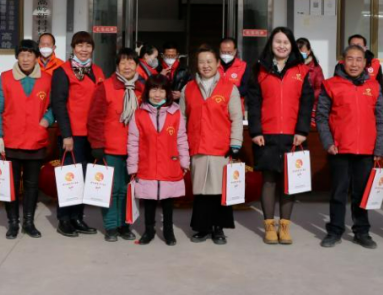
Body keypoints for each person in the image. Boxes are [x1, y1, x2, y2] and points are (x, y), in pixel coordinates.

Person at [247, 27, 313, 245]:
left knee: (289, 182)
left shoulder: (302, 70)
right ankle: (269, 227)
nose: (282, 46)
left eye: (286, 42)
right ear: (271, 44)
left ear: (292, 45)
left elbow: (306, 103)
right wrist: (256, 131)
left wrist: (302, 131)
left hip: (293, 136)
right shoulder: (259, 69)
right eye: (278, 42)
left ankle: (284, 227)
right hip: (266, 135)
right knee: (268, 181)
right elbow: (253, 103)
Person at [317, 44, 383, 249]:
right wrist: (328, 142)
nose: (354, 64)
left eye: (358, 59)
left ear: (365, 63)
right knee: (338, 192)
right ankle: (335, 231)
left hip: (366, 149)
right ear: (342, 61)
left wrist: (380, 148)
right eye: (350, 59)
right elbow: (321, 117)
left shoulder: (374, 86)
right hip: (339, 149)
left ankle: (362, 232)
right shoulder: (330, 85)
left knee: (362, 194)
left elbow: (380, 119)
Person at [0, 39, 53, 239]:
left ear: (36, 57)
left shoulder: (47, 79)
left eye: (29, 55)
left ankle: (28, 222)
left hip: (36, 140)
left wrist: (47, 120)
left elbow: (55, 106)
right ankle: (13, 223)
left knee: (32, 185)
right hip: (11, 141)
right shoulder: (5, 78)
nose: (25, 59)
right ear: (17, 57)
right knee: (11, 184)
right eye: (22, 55)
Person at [181, 46, 243, 245]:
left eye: (209, 61)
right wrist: (181, 145)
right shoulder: (188, 89)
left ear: (217, 64)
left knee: (219, 189)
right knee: (200, 190)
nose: (205, 65)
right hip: (197, 146)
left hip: (220, 148)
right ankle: (202, 227)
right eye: (201, 62)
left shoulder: (229, 88)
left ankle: (219, 228)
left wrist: (235, 143)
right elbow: (182, 118)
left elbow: (236, 118)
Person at [87, 48, 145, 242]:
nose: (127, 66)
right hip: (110, 148)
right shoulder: (106, 87)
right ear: (117, 65)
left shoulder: (141, 89)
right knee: (111, 190)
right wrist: (97, 144)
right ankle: (111, 226)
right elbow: (95, 119)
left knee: (128, 190)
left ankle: (125, 225)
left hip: (134, 149)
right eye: (123, 62)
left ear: (137, 65)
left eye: (131, 62)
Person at [51, 31, 104, 237]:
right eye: (80, 45)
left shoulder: (97, 71)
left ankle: (78, 217)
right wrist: (66, 134)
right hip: (72, 135)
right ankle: (64, 219)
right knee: (70, 178)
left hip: (92, 135)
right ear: (73, 48)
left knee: (85, 178)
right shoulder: (63, 71)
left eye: (88, 46)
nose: (84, 49)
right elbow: (59, 104)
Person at [127, 74, 190, 246]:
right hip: (147, 165)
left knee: (168, 201)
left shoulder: (176, 113)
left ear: (167, 93)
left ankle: (168, 231)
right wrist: (132, 167)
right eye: (154, 89)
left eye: (162, 90)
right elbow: (133, 142)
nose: (157, 94)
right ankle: (149, 230)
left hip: (169, 164)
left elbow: (181, 138)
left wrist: (184, 162)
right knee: (148, 200)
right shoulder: (139, 114)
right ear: (147, 91)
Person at [297, 37, 325, 125]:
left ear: (309, 51)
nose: (299, 53)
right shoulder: (291, 67)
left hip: (310, 107)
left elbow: (320, 88)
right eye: (297, 50)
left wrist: (307, 97)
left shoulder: (316, 68)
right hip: (294, 106)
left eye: (302, 50)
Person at [218, 37, 251, 104]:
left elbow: (246, 88)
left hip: (235, 106)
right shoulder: (214, 65)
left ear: (235, 51)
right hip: (216, 106)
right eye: (223, 52)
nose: (226, 55)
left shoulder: (243, 66)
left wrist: (226, 91)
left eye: (229, 52)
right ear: (219, 51)